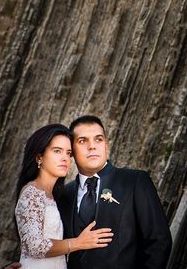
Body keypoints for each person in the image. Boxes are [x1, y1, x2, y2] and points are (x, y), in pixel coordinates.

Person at [57, 115, 172, 269]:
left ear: (106, 145)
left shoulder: (135, 181)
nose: (92, 146)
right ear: (71, 150)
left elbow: (159, 240)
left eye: (98, 139)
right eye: (82, 141)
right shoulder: (64, 194)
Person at [15, 124, 114, 269]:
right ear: (39, 157)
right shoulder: (32, 193)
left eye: (68, 153)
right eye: (57, 151)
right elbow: (34, 246)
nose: (65, 158)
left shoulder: (54, 195)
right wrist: (78, 243)